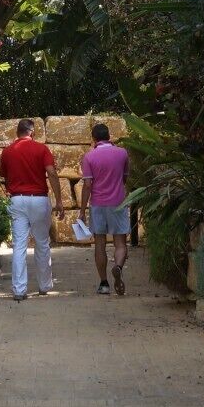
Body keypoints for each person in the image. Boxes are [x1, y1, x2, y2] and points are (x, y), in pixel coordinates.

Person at [0, 119, 65, 301]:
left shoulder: (8, 151)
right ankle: (44, 285)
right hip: (39, 200)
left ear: (17, 133)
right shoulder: (41, 149)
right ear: (32, 133)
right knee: (42, 242)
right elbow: (51, 172)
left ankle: (19, 290)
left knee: (19, 245)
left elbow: (5, 176)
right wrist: (58, 200)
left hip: (17, 199)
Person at [78, 122, 130, 296]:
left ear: (93, 139)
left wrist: (82, 210)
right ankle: (118, 266)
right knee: (120, 243)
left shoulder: (89, 157)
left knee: (99, 244)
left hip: (98, 204)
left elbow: (87, 185)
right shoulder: (122, 153)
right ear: (109, 136)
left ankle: (104, 283)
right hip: (118, 203)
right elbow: (124, 179)